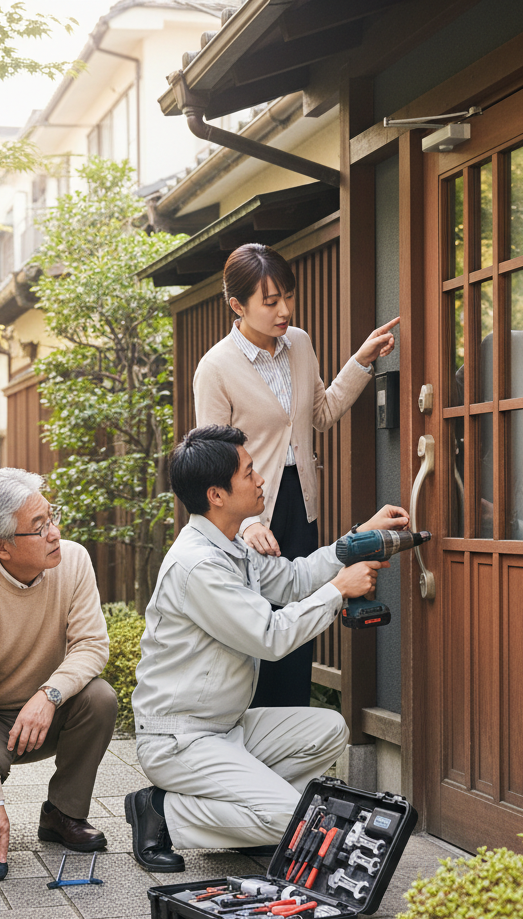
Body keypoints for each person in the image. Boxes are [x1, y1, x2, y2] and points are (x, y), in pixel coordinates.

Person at [123, 425, 409, 872]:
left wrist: (356, 540)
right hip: (180, 738)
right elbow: (270, 637)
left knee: (329, 729)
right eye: (250, 472)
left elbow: (293, 580)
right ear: (216, 495)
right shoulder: (198, 565)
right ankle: (161, 811)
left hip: (225, 727)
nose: (261, 480)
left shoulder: (232, 545)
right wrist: (338, 590)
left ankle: (249, 819)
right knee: (292, 820)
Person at [193, 242, 404, 708]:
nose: (284, 310)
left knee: (301, 623)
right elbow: (211, 457)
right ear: (237, 306)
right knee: (259, 634)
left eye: (287, 296)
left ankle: (290, 736)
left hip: (300, 501)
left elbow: (322, 414)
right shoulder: (216, 368)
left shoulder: (300, 344)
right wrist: (246, 524)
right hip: (249, 515)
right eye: (270, 302)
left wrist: (362, 361)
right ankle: (250, 747)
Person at [0, 468, 117, 879]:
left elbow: (92, 645)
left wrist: (49, 695)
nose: (55, 532)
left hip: (42, 706)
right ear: (2, 546)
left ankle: (62, 813)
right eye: (39, 527)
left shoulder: (74, 560)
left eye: (51, 517)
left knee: (100, 698)